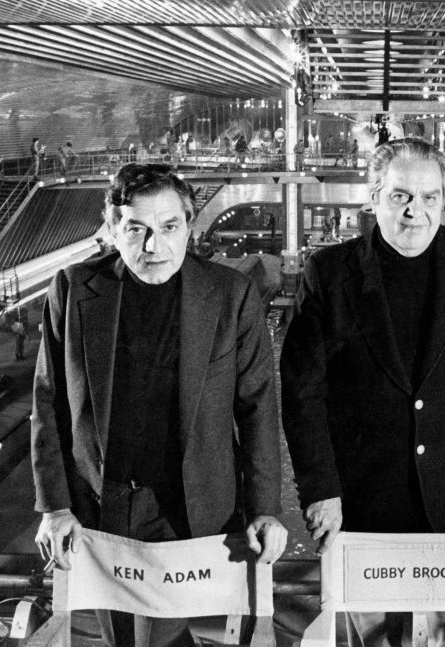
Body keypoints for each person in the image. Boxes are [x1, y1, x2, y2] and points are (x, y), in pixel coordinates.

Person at [281, 138, 445, 647]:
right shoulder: (329, 273)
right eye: (400, 196)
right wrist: (321, 489)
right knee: (368, 632)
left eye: (428, 197)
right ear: (373, 197)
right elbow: (302, 392)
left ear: (444, 199)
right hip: (361, 494)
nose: (414, 211)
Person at [31, 163, 285, 647]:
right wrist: (54, 506)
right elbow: (49, 403)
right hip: (102, 504)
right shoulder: (73, 288)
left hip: (192, 505)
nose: (154, 246)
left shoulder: (230, 294)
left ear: (189, 226)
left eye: (169, 227)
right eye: (136, 229)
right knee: (124, 638)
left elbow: (257, 407)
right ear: (111, 229)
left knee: (158, 638)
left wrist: (266, 509)